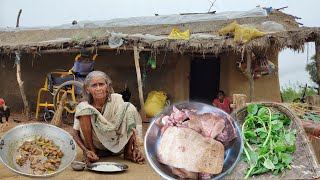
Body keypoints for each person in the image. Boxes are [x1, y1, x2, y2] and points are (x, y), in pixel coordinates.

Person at [72, 71, 145, 165]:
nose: (98, 88)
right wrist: (86, 151)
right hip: (96, 146)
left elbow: (130, 123)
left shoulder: (117, 100)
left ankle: (128, 152)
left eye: (101, 84)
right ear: (87, 89)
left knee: (129, 107)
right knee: (84, 110)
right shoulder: (84, 106)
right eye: (94, 85)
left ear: (108, 87)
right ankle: (92, 152)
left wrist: (135, 147)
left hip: (117, 144)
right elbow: (75, 134)